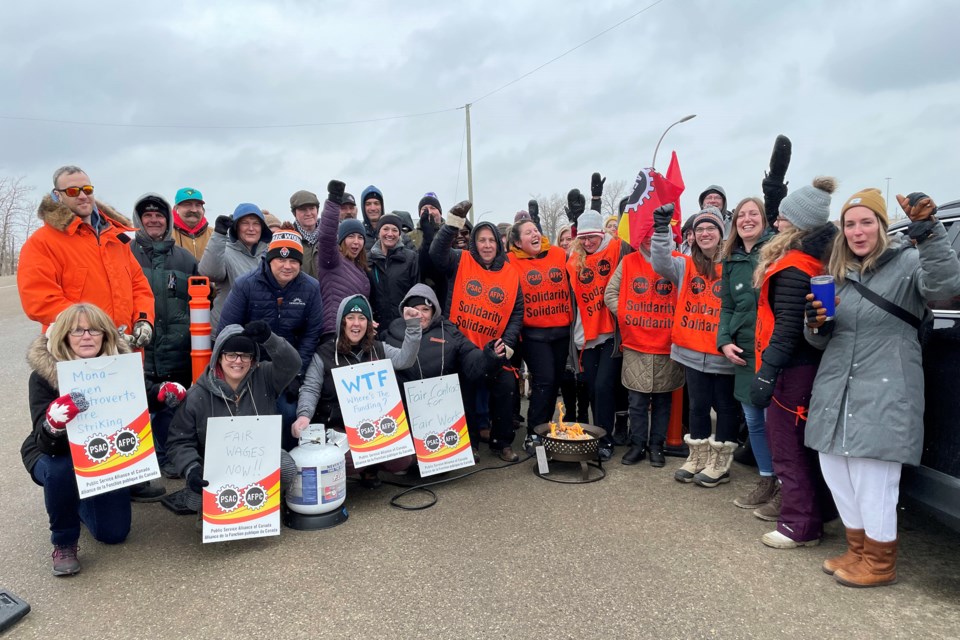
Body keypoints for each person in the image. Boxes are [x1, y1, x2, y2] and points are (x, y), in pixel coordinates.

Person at [804, 188, 960, 587]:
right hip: (838, 384)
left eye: (866, 222)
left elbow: (945, 289)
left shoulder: (909, 263)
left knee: (874, 478)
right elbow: (821, 341)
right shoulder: (838, 275)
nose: (858, 231)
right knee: (836, 469)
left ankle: (880, 561)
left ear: (881, 225)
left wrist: (930, 235)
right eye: (850, 224)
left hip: (887, 384)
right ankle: (857, 550)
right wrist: (816, 325)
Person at [751, 177, 839, 549]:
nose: (776, 223)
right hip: (803, 366)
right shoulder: (813, 260)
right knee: (802, 445)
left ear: (800, 225)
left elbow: (787, 327)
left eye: (784, 219)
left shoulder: (794, 266)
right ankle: (814, 514)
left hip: (792, 370)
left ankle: (798, 525)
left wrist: (768, 371)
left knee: (787, 445)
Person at [21, 304, 140, 575]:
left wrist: (160, 395)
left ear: (105, 335)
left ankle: (79, 500)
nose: (86, 336)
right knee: (60, 468)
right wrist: (54, 423)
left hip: (100, 454)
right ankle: (64, 542)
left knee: (114, 533)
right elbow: (43, 440)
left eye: (94, 329)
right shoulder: (43, 376)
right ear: (64, 335)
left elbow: (138, 402)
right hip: (52, 452)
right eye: (77, 330)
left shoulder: (118, 368)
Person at [166, 321, 302, 516]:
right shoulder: (197, 395)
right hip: (217, 467)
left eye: (245, 355)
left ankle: (266, 506)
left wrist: (269, 339)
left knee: (287, 466)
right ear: (219, 357)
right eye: (231, 354)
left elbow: (292, 364)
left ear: (252, 359)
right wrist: (191, 469)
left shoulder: (265, 377)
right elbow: (178, 441)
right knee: (195, 499)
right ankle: (210, 515)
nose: (238, 361)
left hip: (258, 461)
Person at [294, 295, 423, 487]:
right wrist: (304, 415)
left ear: (369, 324)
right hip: (339, 427)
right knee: (346, 461)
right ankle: (363, 469)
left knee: (402, 461)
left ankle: (370, 468)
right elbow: (310, 388)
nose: (356, 324)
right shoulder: (324, 353)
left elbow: (405, 359)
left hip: (375, 426)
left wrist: (413, 326)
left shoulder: (378, 348)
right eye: (351, 317)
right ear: (341, 322)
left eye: (362, 318)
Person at [652, 205, 739, 487]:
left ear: (721, 233)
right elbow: (660, 262)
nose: (704, 233)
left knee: (725, 407)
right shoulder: (684, 264)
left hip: (723, 353)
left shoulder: (733, 265)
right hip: (692, 351)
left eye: (710, 228)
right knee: (698, 406)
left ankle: (721, 462)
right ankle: (698, 457)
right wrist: (662, 230)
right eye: (699, 229)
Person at [430, 200, 523, 462]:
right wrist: (452, 223)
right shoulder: (460, 260)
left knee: (506, 386)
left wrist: (508, 343)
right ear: (474, 243)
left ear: (499, 243)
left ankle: (501, 442)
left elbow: (517, 313)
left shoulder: (510, 274)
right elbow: (436, 254)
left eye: (491, 240)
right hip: (462, 346)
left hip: (494, 348)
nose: (487, 245)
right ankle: (469, 443)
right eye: (481, 240)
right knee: (465, 391)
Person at [18, 165, 155, 339]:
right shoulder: (41, 243)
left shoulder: (115, 238)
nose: (83, 196)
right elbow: (39, 300)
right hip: (76, 352)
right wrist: (97, 331)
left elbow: (139, 286)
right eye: (73, 191)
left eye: (87, 190)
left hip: (126, 350)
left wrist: (143, 319)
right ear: (57, 195)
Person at [217, 227, 324, 449]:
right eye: (281, 260)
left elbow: (311, 334)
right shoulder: (246, 285)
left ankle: (286, 460)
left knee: (286, 411)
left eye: (294, 261)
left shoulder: (311, 288)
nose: (287, 266)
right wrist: (239, 367)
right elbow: (227, 329)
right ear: (269, 259)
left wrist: (297, 373)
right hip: (250, 366)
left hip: (288, 366)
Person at [604, 212, 683, 467]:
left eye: (655, 233)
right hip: (636, 343)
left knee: (662, 400)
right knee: (636, 401)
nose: (650, 238)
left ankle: (656, 446)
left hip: (666, 344)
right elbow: (610, 294)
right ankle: (637, 444)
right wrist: (627, 315)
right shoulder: (628, 262)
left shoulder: (680, 261)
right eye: (646, 233)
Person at [717, 197, 779, 516]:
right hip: (743, 350)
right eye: (742, 215)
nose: (747, 219)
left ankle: (785, 484)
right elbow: (727, 305)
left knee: (775, 422)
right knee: (754, 420)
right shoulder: (731, 259)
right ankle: (766, 480)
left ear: (764, 219)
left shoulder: (776, 249)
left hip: (773, 348)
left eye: (754, 213)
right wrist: (724, 340)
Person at [130, 193, 198, 480]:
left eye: (159, 216)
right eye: (148, 216)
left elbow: (198, 302)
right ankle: (143, 462)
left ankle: (171, 456)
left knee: (174, 407)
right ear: (139, 221)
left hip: (177, 349)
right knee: (141, 406)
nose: (154, 220)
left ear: (168, 220)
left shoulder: (185, 259)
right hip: (141, 350)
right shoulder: (126, 254)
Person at [566, 205, 633, 461]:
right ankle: (597, 433)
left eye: (592, 236)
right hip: (587, 336)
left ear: (602, 233)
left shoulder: (617, 249)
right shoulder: (573, 260)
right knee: (593, 388)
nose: (588, 242)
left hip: (611, 335)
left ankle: (605, 440)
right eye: (583, 238)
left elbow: (634, 245)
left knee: (605, 386)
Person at [507, 219, 573, 449]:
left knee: (554, 383)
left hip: (561, 331)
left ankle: (546, 428)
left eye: (535, 230)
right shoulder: (510, 261)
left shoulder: (558, 254)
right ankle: (534, 433)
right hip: (533, 334)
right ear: (517, 241)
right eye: (527, 233)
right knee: (544, 380)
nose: (534, 234)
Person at [385, 284, 505, 398]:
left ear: (433, 312)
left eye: (425, 310)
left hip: (441, 405)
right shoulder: (393, 330)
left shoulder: (449, 331)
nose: (419, 315)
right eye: (415, 310)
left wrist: (490, 356)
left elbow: (470, 357)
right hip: (404, 408)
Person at [198, 203, 272, 333]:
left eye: (256, 223)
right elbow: (209, 272)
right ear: (236, 227)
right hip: (226, 331)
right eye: (245, 223)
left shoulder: (271, 255)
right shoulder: (224, 251)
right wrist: (219, 234)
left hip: (259, 331)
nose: (251, 228)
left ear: (262, 228)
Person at [316, 181, 371, 337]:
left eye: (360, 237)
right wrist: (334, 200)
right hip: (334, 332)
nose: (356, 241)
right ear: (341, 240)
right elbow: (326, 236)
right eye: (351, 236)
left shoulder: (360, 268)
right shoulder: (331, 260)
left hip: (355, 333)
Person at [369, 212, 420, 327]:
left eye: (395, 230)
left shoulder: (411, 258)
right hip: (377, 327)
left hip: (403, 325)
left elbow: (416, 292)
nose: (390, 234)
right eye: (385, 229)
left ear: (399, 233)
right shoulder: (369, 260)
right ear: (379, 232)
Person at [171, 187, 214, 262]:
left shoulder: (214, 235)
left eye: (198, 205)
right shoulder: (166, 234)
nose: (194, 210)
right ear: (176, 209)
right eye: (187, 205)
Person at [289, 190, 321, 278]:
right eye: (303, 209)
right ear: (294, 213)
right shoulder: (289, 239)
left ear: (317, 210)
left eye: (312, 208)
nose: (308, 213)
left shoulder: (330, 236)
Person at [360, 185, 385, 249]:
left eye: (376, 203)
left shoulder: (394, 233)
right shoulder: (358, 234)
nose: (373, 208)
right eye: (368, 204)